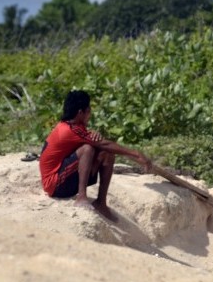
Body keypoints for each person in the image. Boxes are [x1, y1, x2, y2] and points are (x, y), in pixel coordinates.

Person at [39, 90, 152, 219]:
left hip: (64, 180)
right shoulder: (67, 130)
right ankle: (81, 197)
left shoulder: (75, 126)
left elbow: (100, 145)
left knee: (106, 153)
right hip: (55, 185)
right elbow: (103, 144)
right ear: (80, 112)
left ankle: (101, 203)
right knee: (88, 149)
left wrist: (94, 136)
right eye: (88, 111)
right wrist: (136, 154)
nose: (90, 114)